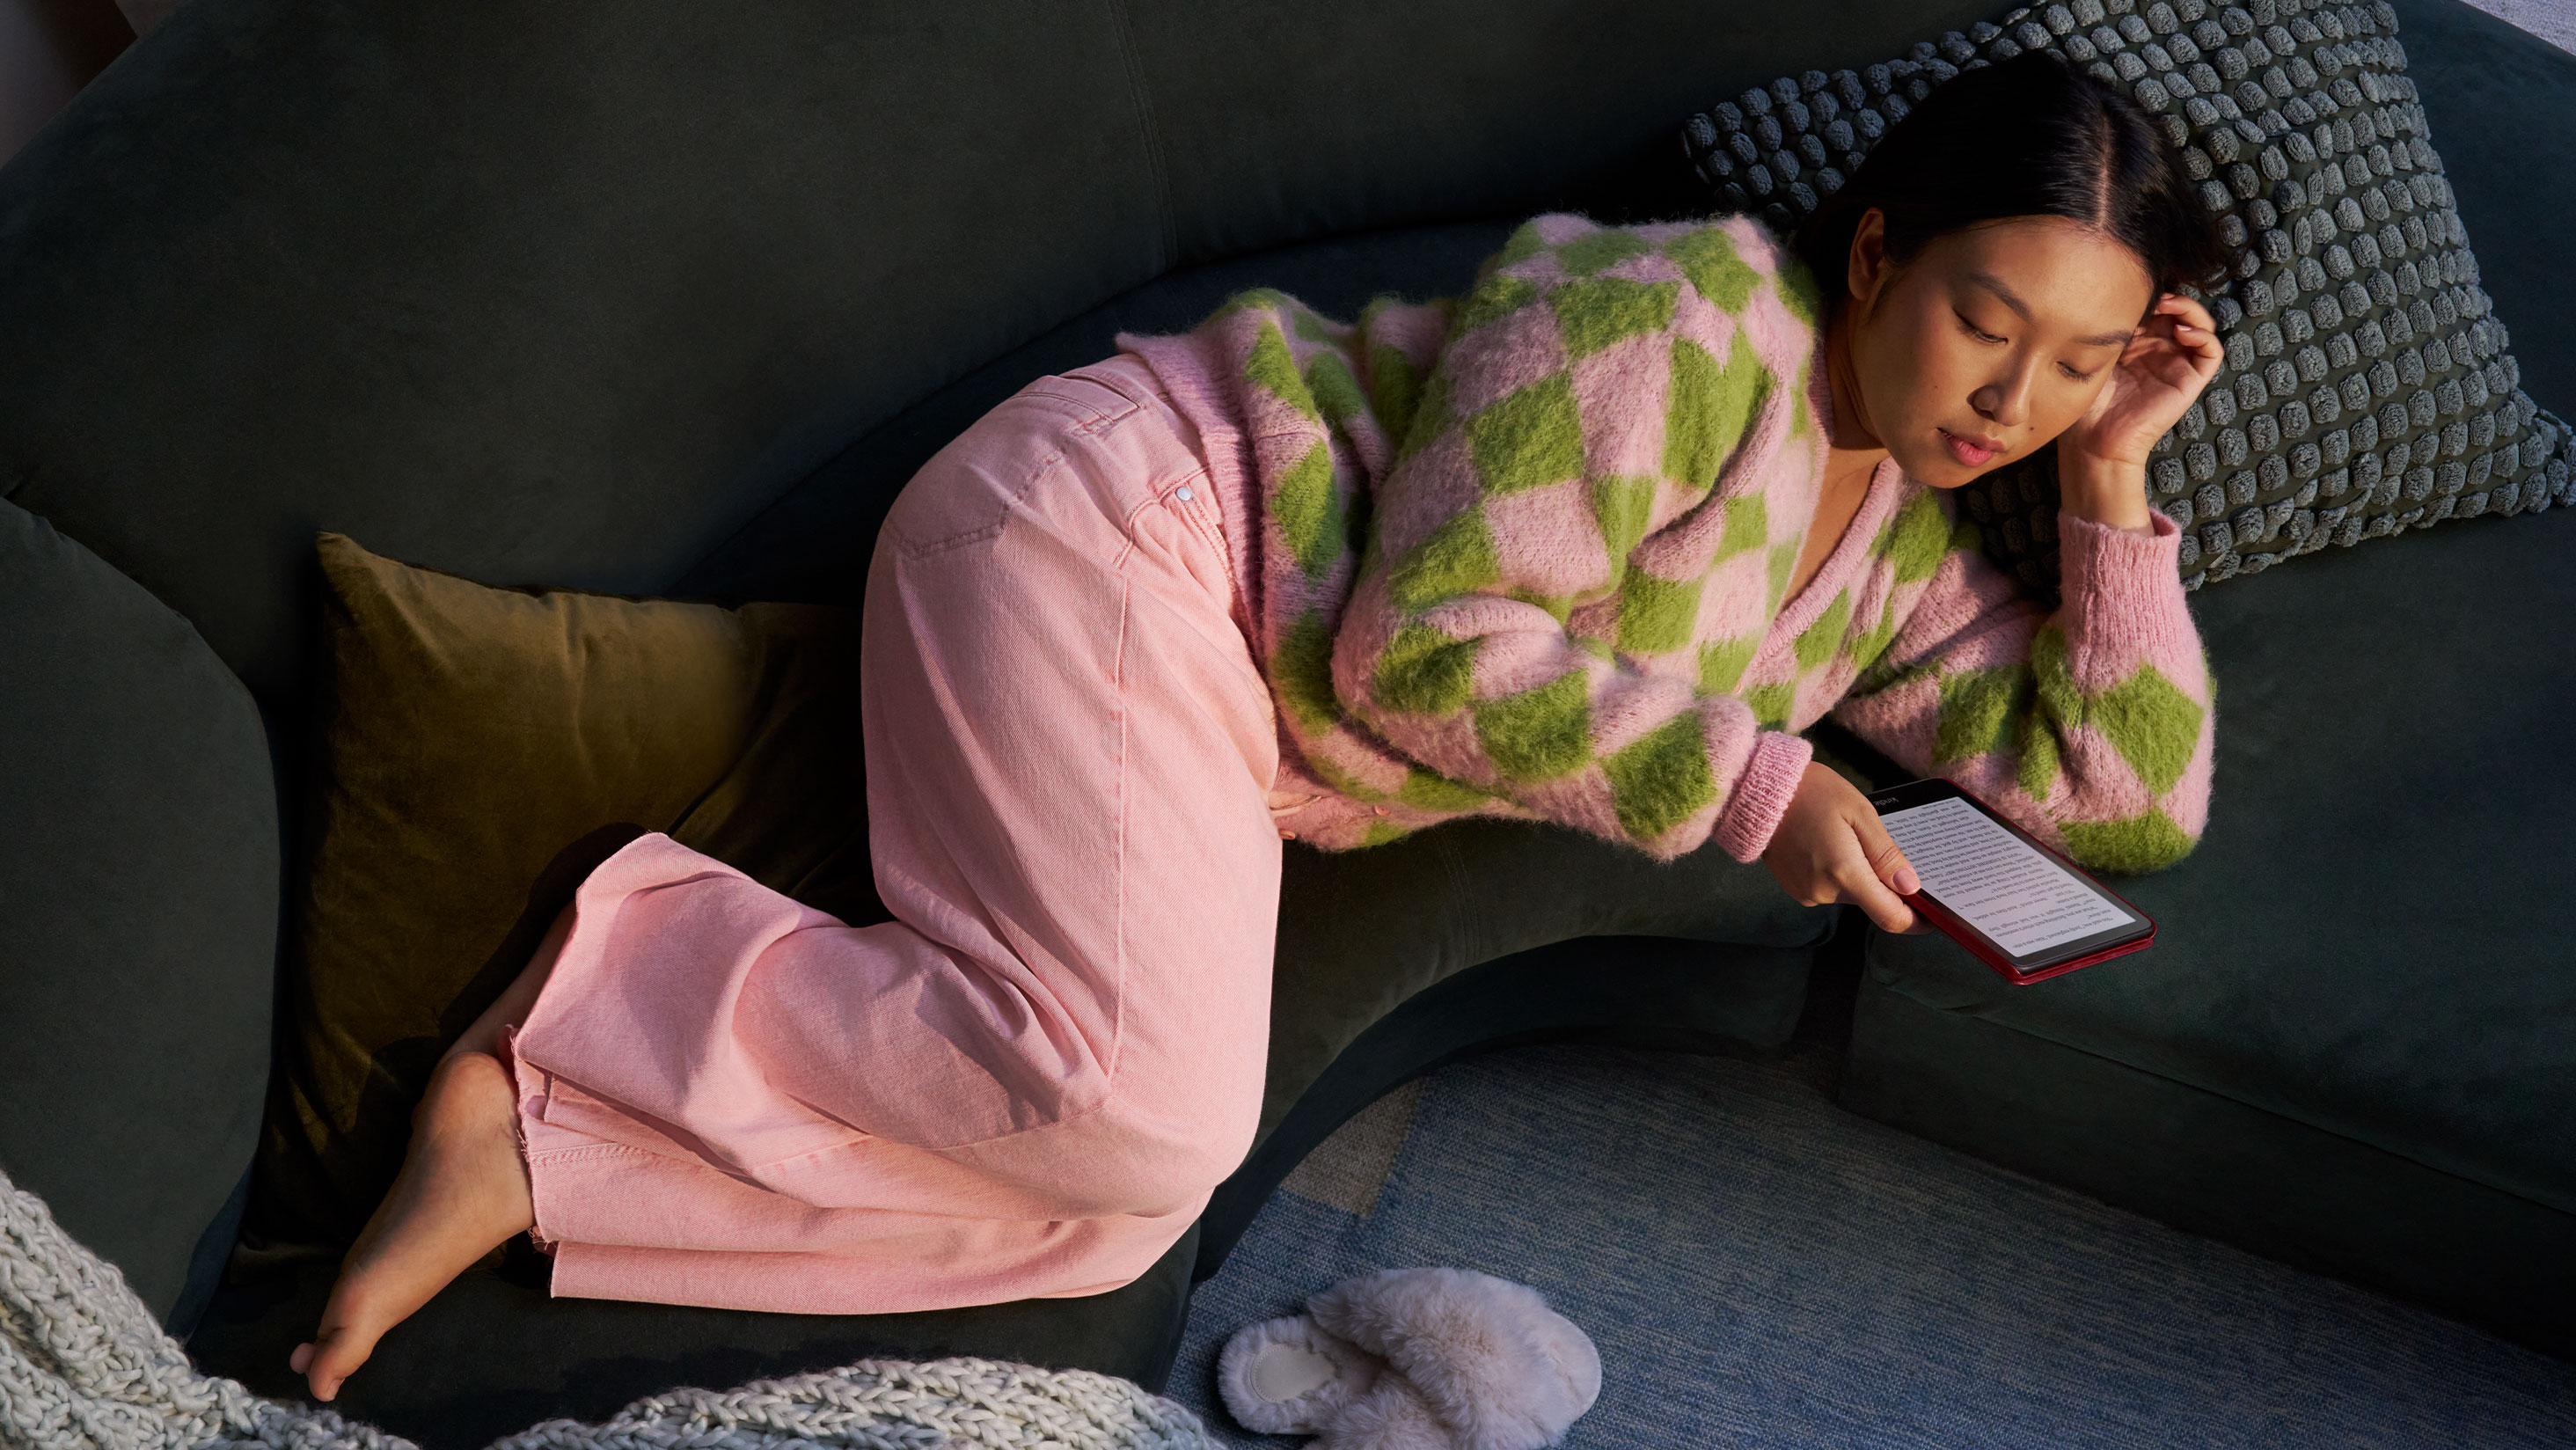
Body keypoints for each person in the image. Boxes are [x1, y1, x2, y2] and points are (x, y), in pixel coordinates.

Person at [288, 45, 2232, 1402]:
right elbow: (1417, 648)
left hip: (1216, 694)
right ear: (1880, 248)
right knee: (1154, 1116)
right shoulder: (1676, 316)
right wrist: (1757, 782)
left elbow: (2119, 794)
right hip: (1118, 527)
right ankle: (635, 967)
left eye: (2076, 363)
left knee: (1105, 1217)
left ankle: (544, 1153)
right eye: (1992, 318)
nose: (2014, 395)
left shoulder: (1896, 546)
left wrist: (2116, 482)